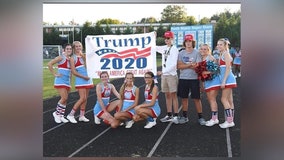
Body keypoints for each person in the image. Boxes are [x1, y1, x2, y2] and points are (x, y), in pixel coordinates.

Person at [176, 34, 206, 125]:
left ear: (193, 42)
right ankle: (185, 117)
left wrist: (186, 66)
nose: (188, 43)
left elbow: (198, 66)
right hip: (183, 78)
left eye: (190, 41)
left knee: (197, 99)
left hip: (194, 79)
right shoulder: (181, 53)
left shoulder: (197, 52)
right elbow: (179, 66)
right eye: (187, 41)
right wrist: (190, 65)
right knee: (184, 98)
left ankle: (200, 117)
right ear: (184, 43)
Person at [66, 41, 94, 123]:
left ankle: (82, 115)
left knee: (85, 99)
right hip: (81, 80)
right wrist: (84, 77)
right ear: (74, 48)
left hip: (88, 80)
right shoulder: (72, 58)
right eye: (76, 46)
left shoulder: (85, 56)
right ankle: (71, 114)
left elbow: (88, 67)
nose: (78, 48)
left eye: (80, 46)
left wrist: (84, 57)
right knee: (82, 98)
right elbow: (74, 72)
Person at [156, 31, 179, 124]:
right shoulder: (164, 48)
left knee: (173, 95)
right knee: (167, 95)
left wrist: (163, 71)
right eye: (165, 38)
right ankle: (169, 114)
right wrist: (152, 37)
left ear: (172, 39)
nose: (167, 40)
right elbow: (154, 48)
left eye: (168, 38)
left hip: (171, 75)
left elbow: (174, 64)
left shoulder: (174, 49)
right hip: (164, 75)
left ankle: (176, 115)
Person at [48, 43, 73, 123]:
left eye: (70, 49)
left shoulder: (70, 59)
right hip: (60, 80)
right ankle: (56, 113)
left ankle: (61, 115)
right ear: (64, 50)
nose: (69, 50)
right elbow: (49, 64)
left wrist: (70, 81)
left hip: (67, 81)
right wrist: (54, 74)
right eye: (67, 49)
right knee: (64, 98)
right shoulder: (61, 57)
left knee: (65, 100)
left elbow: (71, 71)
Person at [197, 44, 222, 126]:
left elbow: (217, 70)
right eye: (201, 49)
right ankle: (214, 118)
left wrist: (206, 72)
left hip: (214, 80)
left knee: (212, 99)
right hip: (207, 81)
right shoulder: (201, 58)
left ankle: (215, 119)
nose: (203, 50)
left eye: (205, 49)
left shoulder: (210, 58)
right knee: (210, 99)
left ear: (208, 50)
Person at [216, 38, 237, 128]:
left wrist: (223, 81)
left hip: (228, 79)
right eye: (218, 44)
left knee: (223, 99)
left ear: (225, 45)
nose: (219, 46)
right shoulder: (222, 54)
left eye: (221, 44)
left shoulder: (226, 54)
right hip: (227, 79)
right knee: (229, 100)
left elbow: (228, 68)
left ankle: (229, 121)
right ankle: (230, 120)